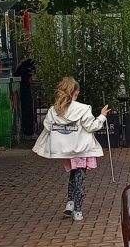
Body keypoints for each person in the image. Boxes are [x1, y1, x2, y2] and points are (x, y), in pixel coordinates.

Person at [32, 76, 109, 223]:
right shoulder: (83, 108)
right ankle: (78, 210)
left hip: (64, 149)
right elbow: (92, 127)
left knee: (73, 174)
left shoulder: (54, 110)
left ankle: (70, 201)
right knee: (80, 177)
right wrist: (102, 116)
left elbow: (48, 127)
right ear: (76, 91)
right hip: (80, 148)